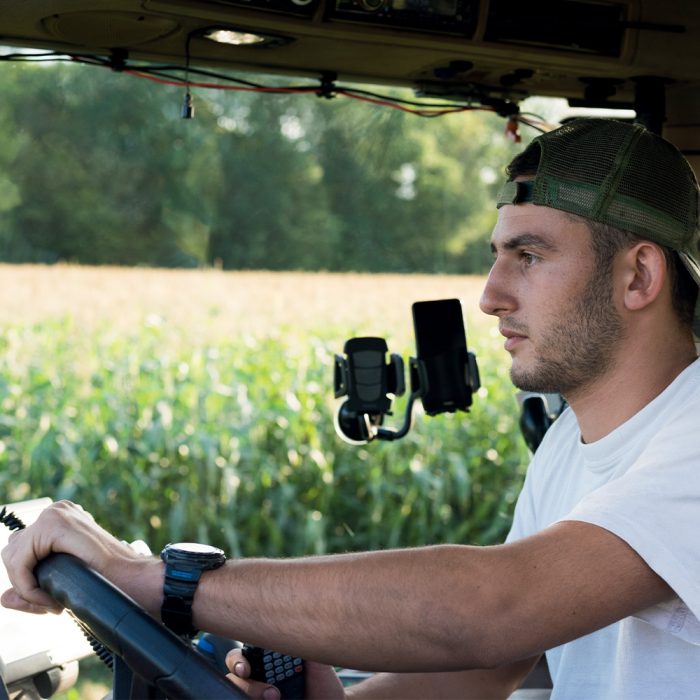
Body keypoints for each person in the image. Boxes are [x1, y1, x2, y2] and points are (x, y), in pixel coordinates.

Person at [2, 118, 700, 700]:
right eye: (497, 254)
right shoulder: (570, 445)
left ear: (637, 275)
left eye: (528, 255)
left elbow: (494, 610)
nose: (490, 294)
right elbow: (497, 662)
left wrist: (157, 581)